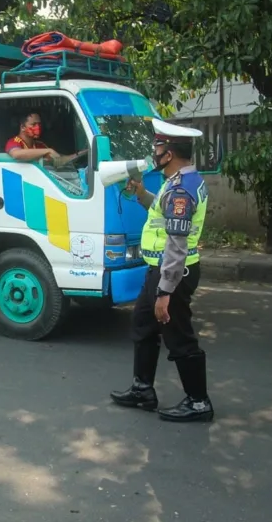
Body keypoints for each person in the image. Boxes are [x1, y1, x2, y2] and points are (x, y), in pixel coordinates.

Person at [109, 118, 214, 423]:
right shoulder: (180, 181)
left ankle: (198, 402)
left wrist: (165, 291)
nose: (153, 152)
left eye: (157, 146)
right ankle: (143, 388)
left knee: (178, 336)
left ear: (169, 153)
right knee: (143, 324)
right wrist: (141, 194)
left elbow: (177, 245)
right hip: (160, 270)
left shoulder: (181, 190)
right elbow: (163, 212)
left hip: (174, 273)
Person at [5, 111, 86, 167]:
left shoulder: (40, 144)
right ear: (22, 127)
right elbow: (16, 154)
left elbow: (60, 160)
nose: (38, 127)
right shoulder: (14, 141)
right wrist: (48, 150)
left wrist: (83, 153)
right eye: (33, 124)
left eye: (39, 124)